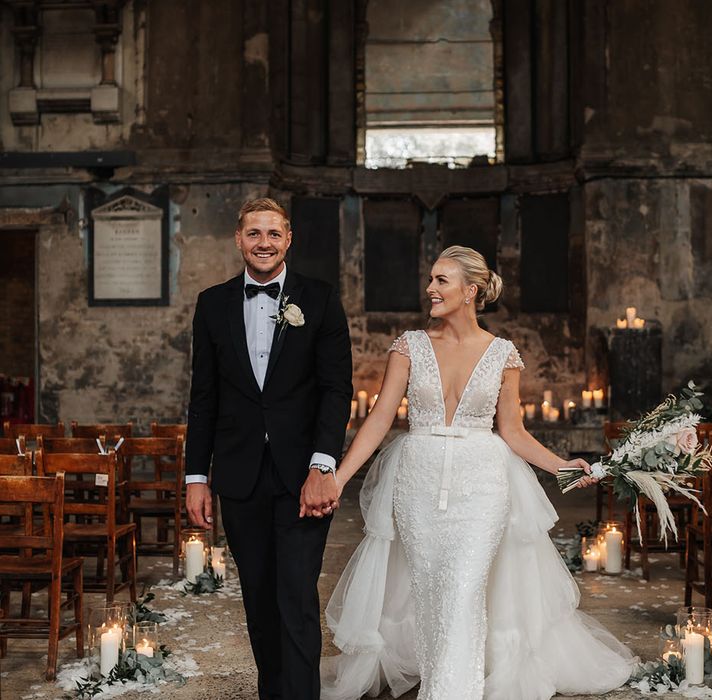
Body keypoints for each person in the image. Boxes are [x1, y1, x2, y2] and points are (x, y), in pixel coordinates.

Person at [321, 246, 634, 700]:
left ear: (471, 291)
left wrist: (563, 466)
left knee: (465, 588)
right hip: (418, 484)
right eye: (431, 278)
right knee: (431, 590)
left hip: (482, 486)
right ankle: (439, 680)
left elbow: (513, 432)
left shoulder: (503, 354)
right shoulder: (409, 346)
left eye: (441, 280)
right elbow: (379, 419)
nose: (430, 288)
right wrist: (340, 476)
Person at [185, 197, 352, 700]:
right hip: (238, 478)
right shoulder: (211, 304)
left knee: (296, 597)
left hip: (304, 478)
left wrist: (323, 464)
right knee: (258, 600)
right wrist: (197, 477)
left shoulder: (319, 299)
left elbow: (335, 390)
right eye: (254, 234)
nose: (264, 243)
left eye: (273, 234)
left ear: (289, 239)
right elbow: (204, 397)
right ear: (238, 239)